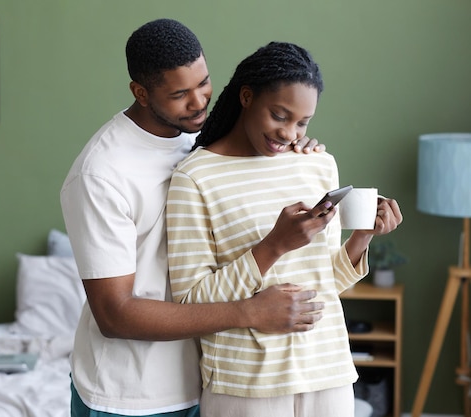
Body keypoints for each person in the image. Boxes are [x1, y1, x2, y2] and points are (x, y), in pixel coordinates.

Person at [60, 20, 330, 417]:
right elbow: (114, 314)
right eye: (179, 94)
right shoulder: (101, 173)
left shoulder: (201, 140)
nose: (198, 101)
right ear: (141, 93)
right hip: (131, 396)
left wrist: (294, 148)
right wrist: (250, 312)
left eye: (203, 83)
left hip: (212, 381)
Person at [165, 41, 403, 417]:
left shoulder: (317, 165)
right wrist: (274, 246)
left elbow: (326, 283)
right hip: (244, 385)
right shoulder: (194, 177)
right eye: (280, 115)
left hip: (328, 374)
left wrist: (363, 236)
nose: (290, 133)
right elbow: (191, 302)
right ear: (247, 97)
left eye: (302, 123)